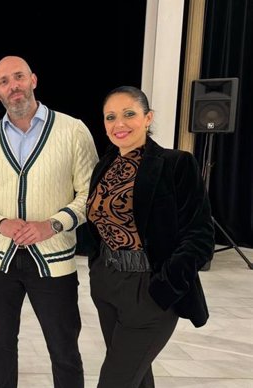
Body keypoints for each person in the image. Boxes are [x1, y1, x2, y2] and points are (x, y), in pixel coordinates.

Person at [0, 56, 98, 388]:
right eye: (5, 82)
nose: (14, 86)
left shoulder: (73, 130)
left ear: (34, 80)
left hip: (54, 261)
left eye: (19, 77)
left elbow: (90, 195)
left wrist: (50, 225)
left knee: (64, 350)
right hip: (0, 262)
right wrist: (0, 223)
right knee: (2, 345)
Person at [86, 86, 214, 388]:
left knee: (115, 380)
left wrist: (165, 287)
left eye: (129, 114)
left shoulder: (176, 164)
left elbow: (200, 236)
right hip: (107, 283)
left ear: (148, 118)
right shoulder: (105, 165)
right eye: (111, 117)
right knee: (137, 376)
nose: (119, 124)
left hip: (149, 289)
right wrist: (97, 270)